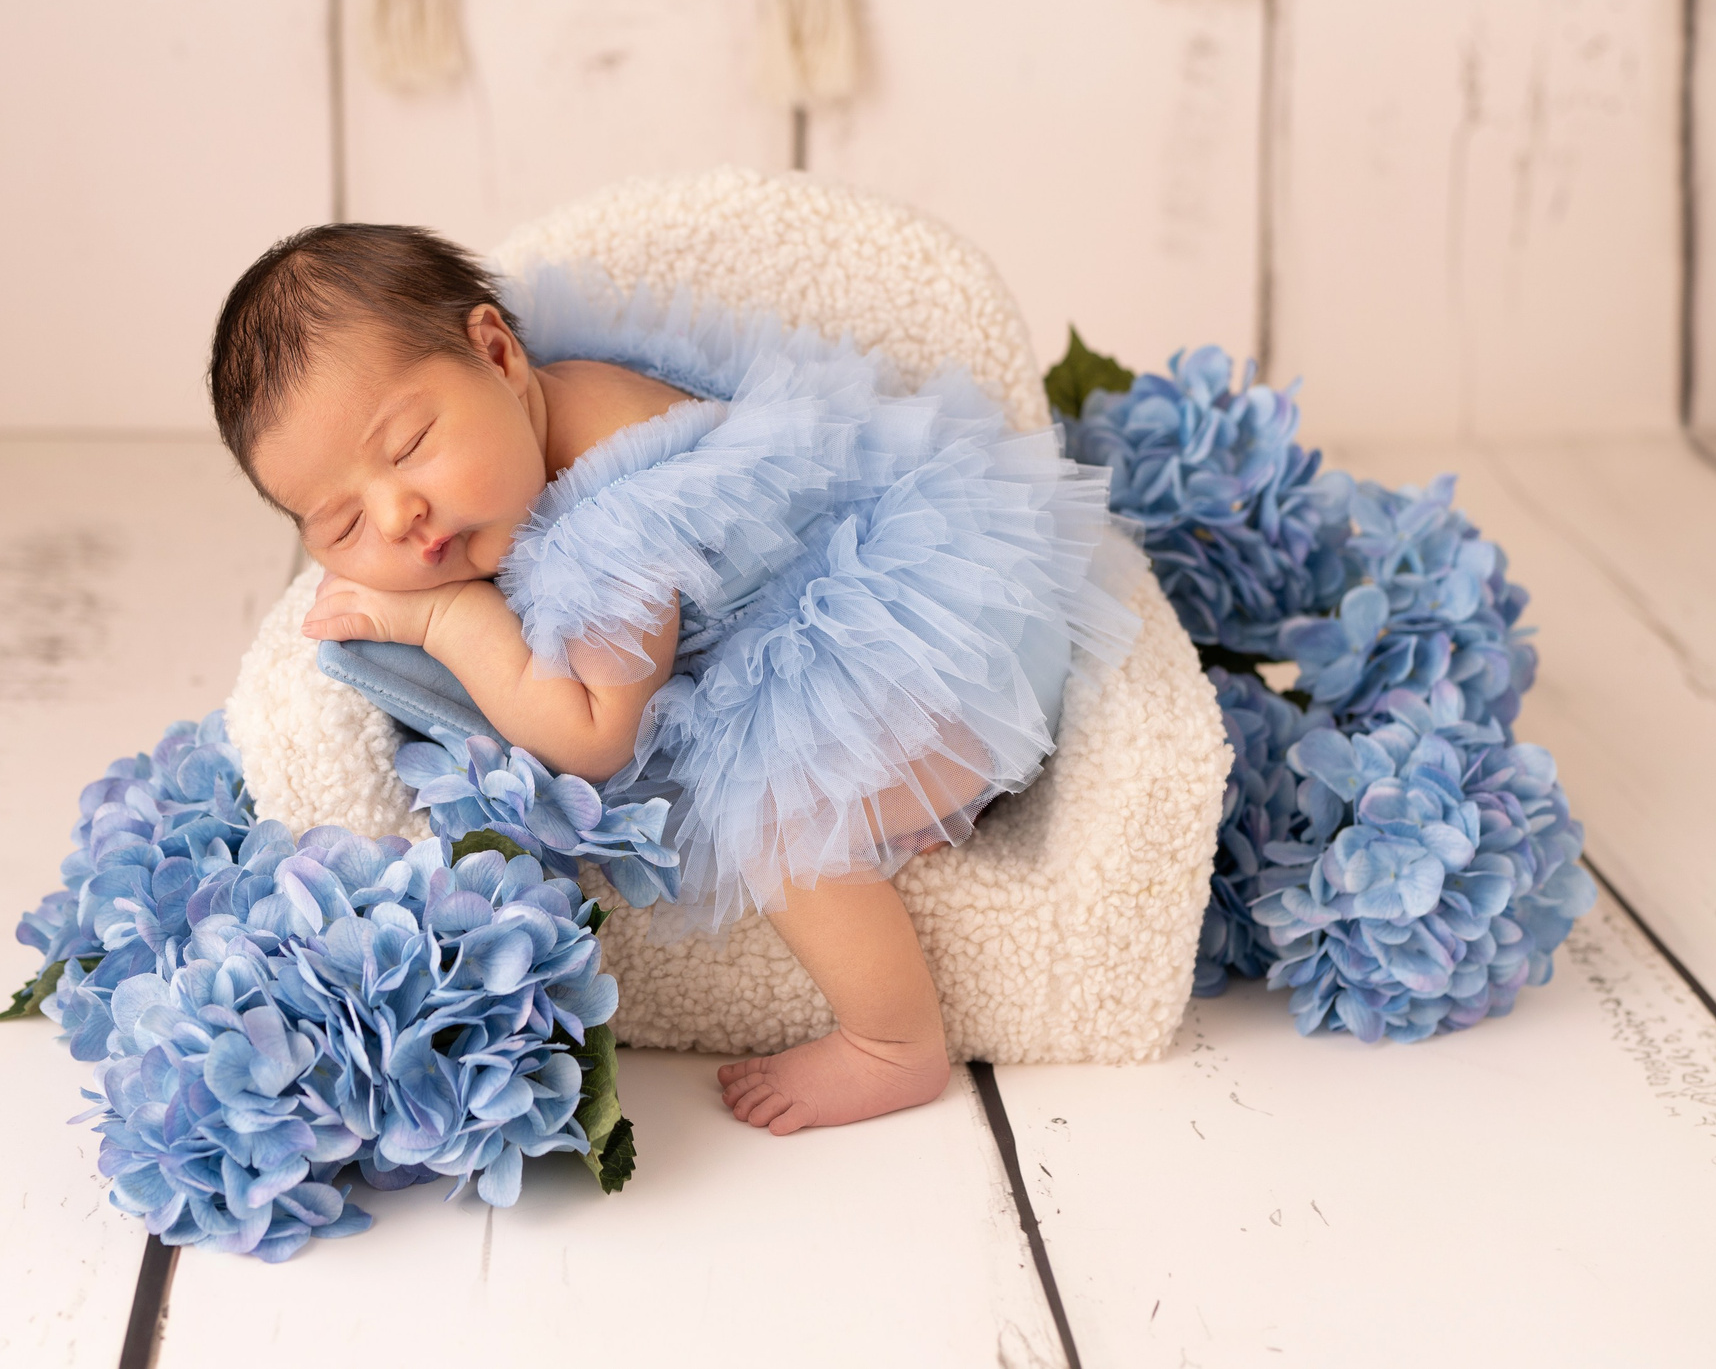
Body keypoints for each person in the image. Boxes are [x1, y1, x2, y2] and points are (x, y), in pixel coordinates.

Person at [209, 223, 1129, 1134]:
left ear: (496, 353)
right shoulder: (535, 419)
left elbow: (594, 737)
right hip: (948, 602)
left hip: (937, 657)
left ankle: (894, 1043)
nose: (398, 514)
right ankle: (912, 808)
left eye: (409, 445)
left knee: (779, 813)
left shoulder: (624, 514)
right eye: (340, 525)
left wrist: (443, 616)